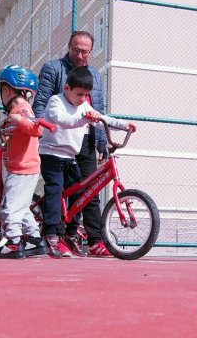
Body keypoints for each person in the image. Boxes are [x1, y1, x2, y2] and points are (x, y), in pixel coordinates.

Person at [38, 67, 135, 258]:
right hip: (51, 154)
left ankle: (71, 232)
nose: (83, 98)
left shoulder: (83, 106)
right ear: (67, 88)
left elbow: (101, 119)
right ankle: (51, 233)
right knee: (55, 189)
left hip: (69, 157)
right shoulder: (56, 101)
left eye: (86, 95)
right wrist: (83, 119)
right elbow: (62, 120)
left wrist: (124, 125)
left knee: (80, 192)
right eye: (79, 94)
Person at [33, 31, 111, 257]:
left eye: (85, 51)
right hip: (59, 139)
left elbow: (98, 109)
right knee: (59, 189)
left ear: (91, 51)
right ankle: (55, 235)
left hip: (84, 140)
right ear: (69, 46)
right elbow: (41, 101)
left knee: (89, 190)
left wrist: (102, 140)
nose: (79, 55)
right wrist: (40, 128)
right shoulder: (53, 68)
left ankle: (94, 240)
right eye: (76, 49)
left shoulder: (94, 75)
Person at [0, 65, 50, 259]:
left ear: (6, 91)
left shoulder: (22, 109)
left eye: (2, 92)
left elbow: (36, 130)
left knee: (10, 207)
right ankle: (36, 240)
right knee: (21, 207)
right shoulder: (19, 109)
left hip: (22, 168)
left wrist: (17, 120)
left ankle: (14, 243)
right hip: (23, 167)